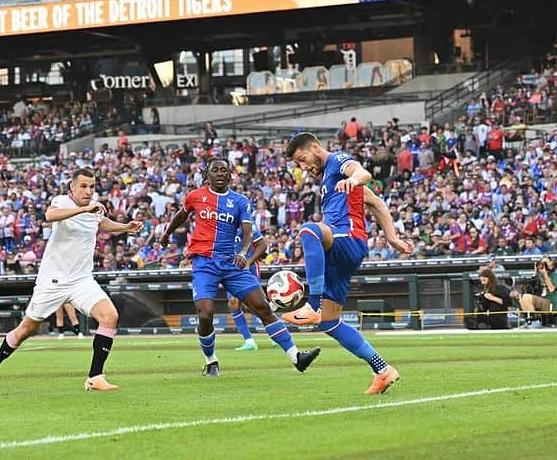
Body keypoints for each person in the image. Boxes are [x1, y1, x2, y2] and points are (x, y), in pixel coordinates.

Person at [0, 169, 142, 392]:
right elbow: (49, 216)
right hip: (53, 281)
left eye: (92, 187)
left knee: (109, 316)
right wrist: (85, 208)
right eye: (84, 186)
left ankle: (95, 377)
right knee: (26, 330)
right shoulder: (61, 201)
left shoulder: (94, 208)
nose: (88, 191)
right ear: (72, 188)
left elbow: (100, 222)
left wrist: (124, 227)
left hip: (81, 281)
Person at [160, 158, 320, 377]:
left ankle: (296, 357)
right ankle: (211, 360)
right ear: (207, 174)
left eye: (224, 170)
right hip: (204, 263)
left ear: (230, 175)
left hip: (232, 264)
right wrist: (167, 234)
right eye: (215, 170)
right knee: (205, 314)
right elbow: (182, 214)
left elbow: (248, 233)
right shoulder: (195, 196)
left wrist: (244, 254)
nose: (219, 174)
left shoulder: (240, 201)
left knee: (262, 307)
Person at [282, 132, 413, 394]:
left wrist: (353, 178)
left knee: (308, 231)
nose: (303, 167)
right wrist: (392, 237)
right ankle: (383, 370)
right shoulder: (328, 181)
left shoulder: (338, 162)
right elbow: (375, 202)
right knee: (329, 322)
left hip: (348, 239)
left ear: (315, 148)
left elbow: (362, 172)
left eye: (302, 159)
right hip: (340, 252)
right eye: (298, 164)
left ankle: (312, 305)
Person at [226, 219, 268, 351]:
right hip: (230, 270)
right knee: (233, 302)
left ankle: (275, 330)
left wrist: (249, 262)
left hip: (249, 268)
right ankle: (249, 341)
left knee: (253, 304)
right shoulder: (220, 226)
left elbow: (263, 245)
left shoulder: (247, 224)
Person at [518, 255, 557, 327]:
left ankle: (535, 321)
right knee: (522, 298)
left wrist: (545, 273)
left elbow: (551, 289)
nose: (544, 264)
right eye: (542, 262)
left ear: (551, 263)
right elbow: (531, 289)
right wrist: (536, 272)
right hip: (541, 301)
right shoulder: (540, 276)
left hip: (551, 303)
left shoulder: (554, 275)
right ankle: (529, 321)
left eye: (546, 262)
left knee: (526, 297)